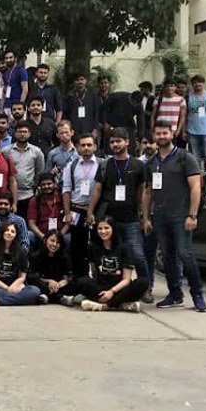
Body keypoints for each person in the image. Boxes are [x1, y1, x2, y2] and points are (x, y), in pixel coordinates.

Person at [142, 122, 206, 312]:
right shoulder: (152, 162)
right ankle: (175, 293)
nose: (161, 136)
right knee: (167, 257)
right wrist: (146, 218)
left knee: (185, 254)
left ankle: (197, 295)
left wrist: (192, 215)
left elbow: (195, 187)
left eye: (165, 133)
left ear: (172, 134)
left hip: (181, 216)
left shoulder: (185, 157)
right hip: (160, 217)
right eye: (158, 133)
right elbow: (147, 191)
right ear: (154, 136)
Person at [86, 128, 151, 300]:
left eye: (118, 141)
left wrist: (144, 215)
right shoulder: (105, 165)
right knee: (105, 254)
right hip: (108, 219)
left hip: (130, 218)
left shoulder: (138, 165)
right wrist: (90, 211)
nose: (115, 144)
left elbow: (143, 191)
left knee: (137, 254)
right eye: (112, 142)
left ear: (127, 142)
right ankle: (104, 285)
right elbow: (97, 189)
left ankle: (146, 288)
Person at [69, 218, 148, 312]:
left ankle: (105, 306)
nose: (103, 231)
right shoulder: (92, 247)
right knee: (82, 281)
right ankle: (121, 305)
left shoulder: (125, 249)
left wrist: (112, 291)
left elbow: (126, 279)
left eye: (106, 228)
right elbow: (94, 273)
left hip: (119, 289)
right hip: (101, 289)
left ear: (113, 229)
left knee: (143, 282)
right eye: (100, 228)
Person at [61, 133, 100, 277]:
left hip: (96, 211)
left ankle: (99, 278)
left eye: (89, 145)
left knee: (98, 245)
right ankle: (79, 278)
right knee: (77, 247)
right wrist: (67, 213)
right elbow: (66, 190)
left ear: (95, 147)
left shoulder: (102, 164)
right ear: (77, 147)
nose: (86, 148)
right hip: (77, 209)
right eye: (83, 145)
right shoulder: (71, 165)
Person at [0, 221, 42, 306]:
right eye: (7, 230)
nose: (9, 233)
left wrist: (14, 286)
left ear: (16, 235)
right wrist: (7, 288)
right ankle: (26, 300)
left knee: (35, 290)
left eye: (12, 231)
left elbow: (22, 276)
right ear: (2, 232)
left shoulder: (21, 252)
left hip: (16, 286)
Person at [3, 122, 45, 218]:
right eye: (20, 131)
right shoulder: (6, 151)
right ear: (14, 133)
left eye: (25, 132)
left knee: (28, 220)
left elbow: (40, 171)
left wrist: (34, 185)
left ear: (29, 134)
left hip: (29, 194)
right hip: (10, 194)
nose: (22, 134)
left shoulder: (36, 151)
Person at [27, 232, 73, 305]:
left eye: (58, 242)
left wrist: (61, 283)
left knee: (76, 280)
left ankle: (48, 296)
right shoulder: (36, 256)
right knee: (31, 278)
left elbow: (67, 278)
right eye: (52, 241)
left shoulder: (64, 257)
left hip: (59, 286)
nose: (54, 244)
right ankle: (59, 298)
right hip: (44, 284)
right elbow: (33, 276)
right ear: (45, 241)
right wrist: (49, 281)